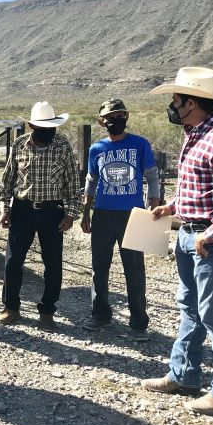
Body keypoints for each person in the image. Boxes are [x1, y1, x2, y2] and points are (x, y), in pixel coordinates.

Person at [142, 67, 213, 415]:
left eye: (176, 101)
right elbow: (200, 187)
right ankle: (184, 374)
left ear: (190, 103)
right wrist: (172, 206)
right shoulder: (195, 133)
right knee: (190, 306)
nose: (173, 107)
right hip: (192, 232)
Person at [80, 98, 160, 340]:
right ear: (102, 121)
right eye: (110, 117)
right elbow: (91, 181)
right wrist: (86, 212)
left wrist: (153, 209)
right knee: (99, 267)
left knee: (134, 270)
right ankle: (100, 314)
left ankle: (138, 324)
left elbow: (152, 177)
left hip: (132, 215)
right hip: (103, 214)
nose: (116, 120)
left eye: (120, 116)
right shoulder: (97, 149)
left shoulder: (139, 144)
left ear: (126, 117)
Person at [0, 102, 80, 331]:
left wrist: (71, 214)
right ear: (31, 125)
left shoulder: (62, 147)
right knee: (13, 261)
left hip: (52, 211)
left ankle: (47, 311)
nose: (48, 131)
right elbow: (7, 180)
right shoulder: (19, 145)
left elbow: (73, 184)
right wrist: (5, 209)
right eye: (43, 127)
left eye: (51, 126)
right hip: (22, 210)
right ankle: (11, 308)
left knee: (52, 264)